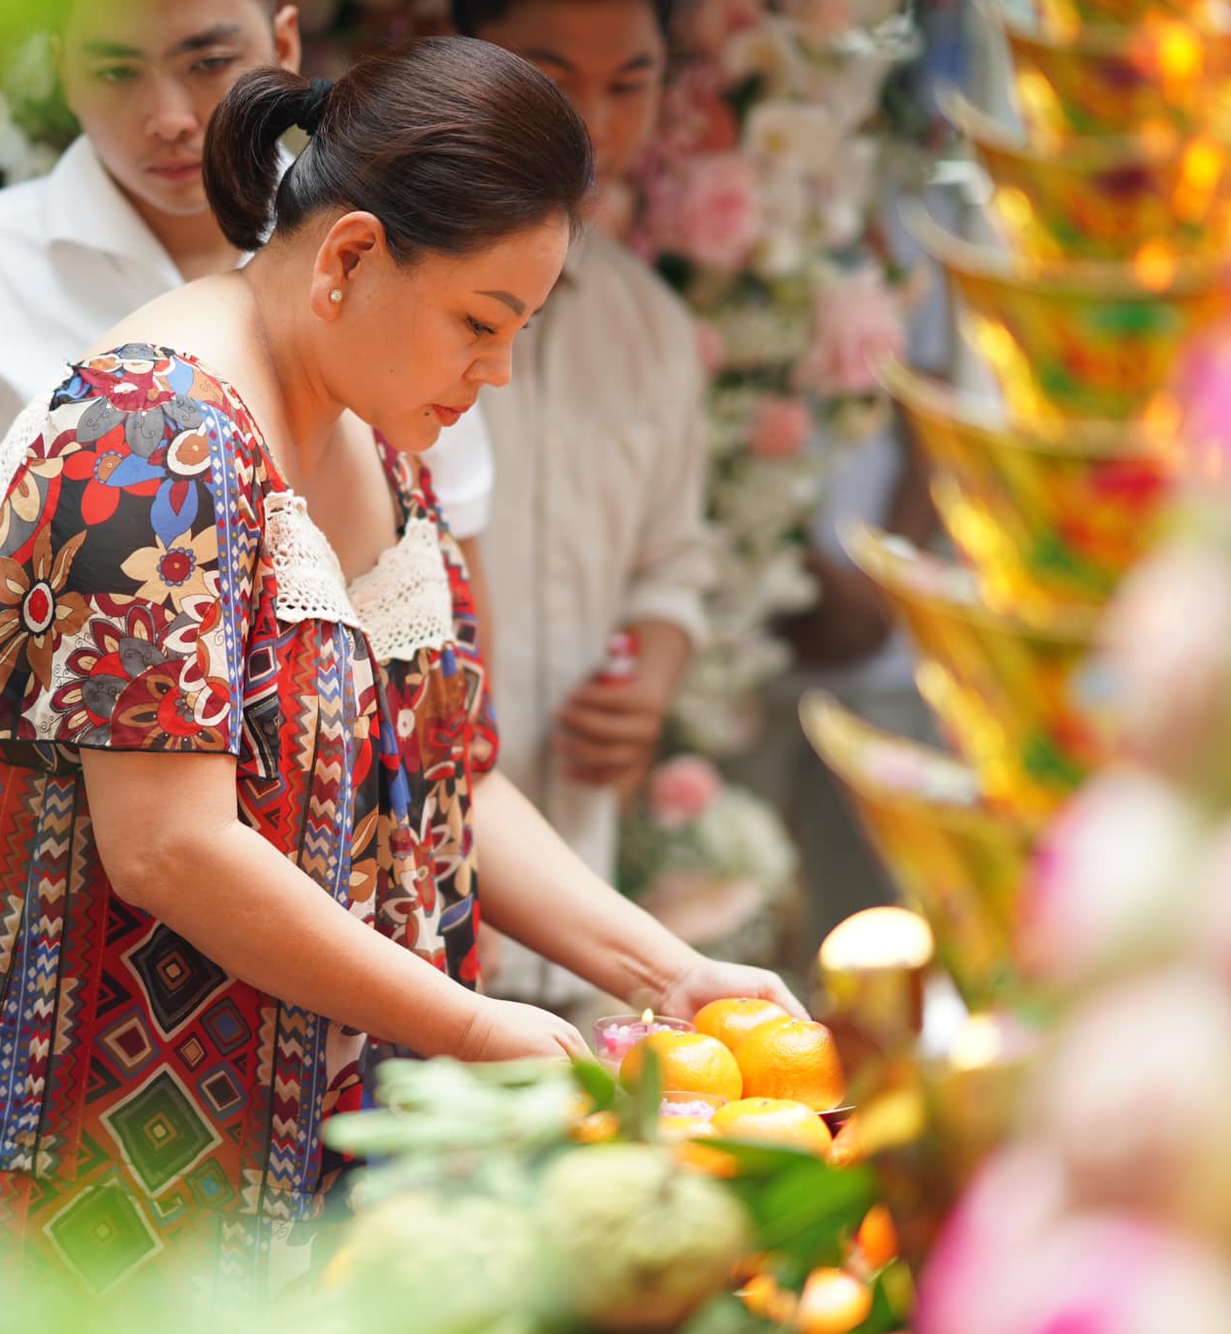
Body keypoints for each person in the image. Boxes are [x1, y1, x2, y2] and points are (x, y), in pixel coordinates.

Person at [0, 38, 799, 1324]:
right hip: (86, 1160)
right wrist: (465, 1024)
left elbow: (446, 777)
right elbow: (169, 848)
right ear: (347, 258)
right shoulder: (148, 436)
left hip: (293, 1150)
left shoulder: (362, 420)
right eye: (478, 322)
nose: (495, 371)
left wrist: (664, 971)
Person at [0, 0, 498, 1006]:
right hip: (71, 923)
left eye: (206, 63)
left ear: (282, 45)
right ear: (54, 67)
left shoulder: (408, 269)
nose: (163, 115)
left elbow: (436, 640)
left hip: (356, 933)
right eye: (113, 70)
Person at [450, 0, 720, 1014]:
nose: (593, 123)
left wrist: (647, 683)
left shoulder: (649, 327)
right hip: (393, 906)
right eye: (552, 75)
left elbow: (671, 560)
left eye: (629, 83)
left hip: (576, 906)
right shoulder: (377, 300)